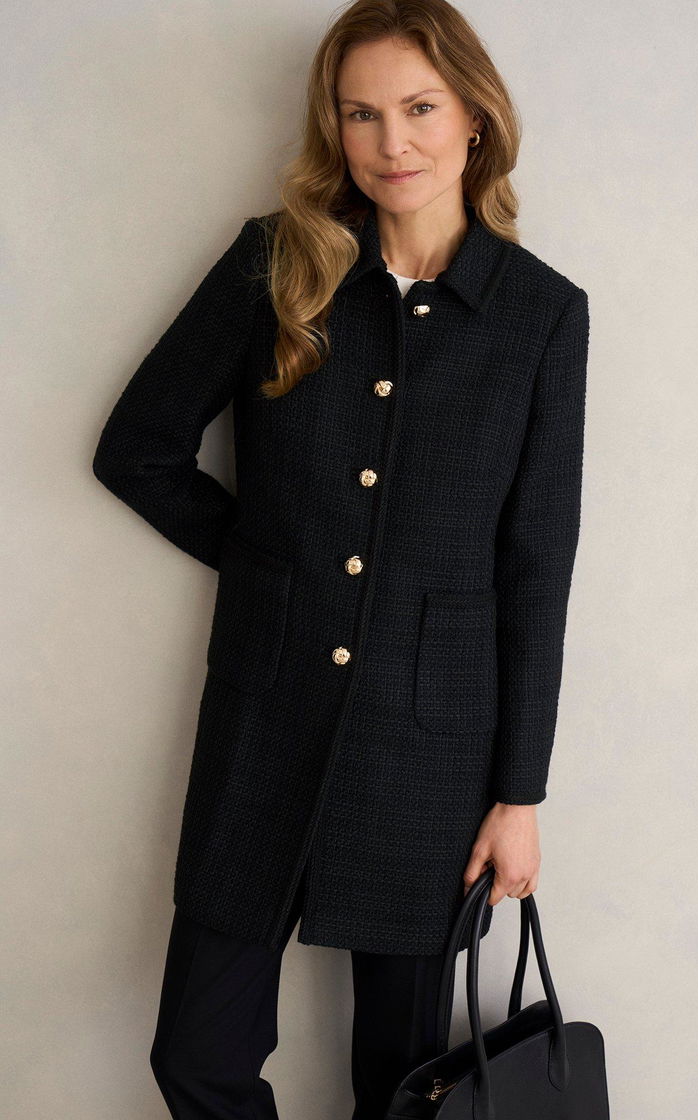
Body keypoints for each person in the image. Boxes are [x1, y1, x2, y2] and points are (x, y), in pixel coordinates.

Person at [91, 1, 591, 1116]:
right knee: (198, 1053)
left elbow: (535, 568)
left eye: (419, 109)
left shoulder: (541, 317)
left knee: (404, 1088)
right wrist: (271, 567)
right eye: (360, 114)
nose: (390, 142)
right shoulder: (277, 263)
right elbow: (138, 451)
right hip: (264, 720)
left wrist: (519, 794)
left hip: (433, 750)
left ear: (474, 118)